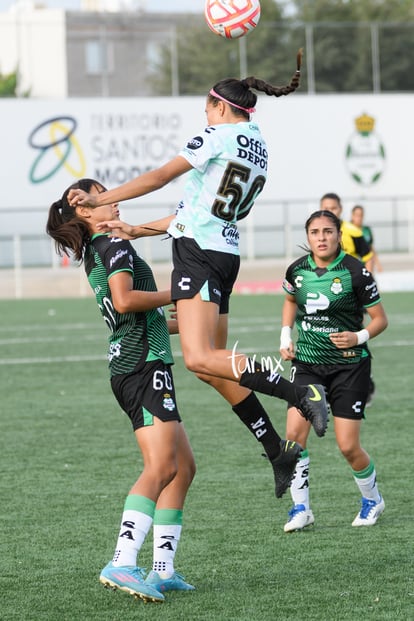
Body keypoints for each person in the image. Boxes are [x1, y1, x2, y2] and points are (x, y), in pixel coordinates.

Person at [67, 50, 329, 500]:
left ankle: (301, 393)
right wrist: (135, 228)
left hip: (197, 257)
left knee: (198, 358)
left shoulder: (217, 136)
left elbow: (159, 176)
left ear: (222, 108)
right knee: (215, 367)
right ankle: (276, 451)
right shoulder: (257, 143)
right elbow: (196, 211)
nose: (204, 115)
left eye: (207, 107)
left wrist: (99, 199)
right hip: (223, 253)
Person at [46, 178, 196, 604]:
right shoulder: (114, 246)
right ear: (85, 212)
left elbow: (133, 315)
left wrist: (188, 320)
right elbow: (127, 301)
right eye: (101, 196)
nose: (110, 201)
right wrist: (182, 292)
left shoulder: (101, 249)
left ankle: (162, 570)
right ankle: (123, 561)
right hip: (141, 367)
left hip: (140, 361)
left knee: (183, 467)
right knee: (162, 467)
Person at [279, 210, 388, 533]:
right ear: (308, 236)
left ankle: (373, 500)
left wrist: (359, 336)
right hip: (308, 364)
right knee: (294, 438)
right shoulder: (297, 270)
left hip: (350, 367)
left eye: (328, 231)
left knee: (347, 445)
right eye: (315, 232)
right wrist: (286, 336)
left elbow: (380, 319)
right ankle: (301, 508)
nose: (321, 237)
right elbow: (289, 299)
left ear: (339, 235)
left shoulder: (356, 271)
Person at [321, 193, 376, 404]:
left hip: (351, 296)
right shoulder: (319, 232)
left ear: (340, 209)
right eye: (325, 207)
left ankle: (364, 380)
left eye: (333, 208)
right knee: (323, 335)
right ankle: (326, 385)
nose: (329, 211)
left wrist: (366, 284)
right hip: (326, 296)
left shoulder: (352, 232)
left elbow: (368, 257)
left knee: (354, 336)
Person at [351, 204, 383, 273]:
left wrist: (378, 264)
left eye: (361, 215)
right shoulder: (347, 230)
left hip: (367, 265)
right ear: (352, 216)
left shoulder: (367, 230)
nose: (359, 218)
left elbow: (371, 248)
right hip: (353, 267)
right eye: (357, 215)